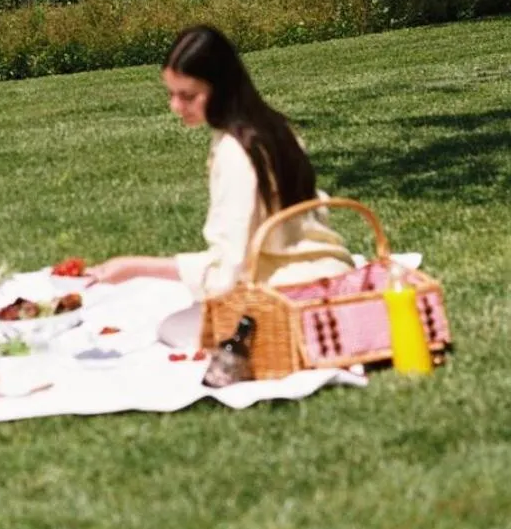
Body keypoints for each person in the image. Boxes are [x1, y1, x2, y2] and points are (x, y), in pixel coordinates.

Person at [87, 25, 354, 344]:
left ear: (222, 88)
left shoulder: (235, 152)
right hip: (330, 272)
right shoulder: (274, 125)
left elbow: (229, 269)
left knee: (171, 328)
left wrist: (136, 267)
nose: (175, 106)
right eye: (171, 94)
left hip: (287, 294)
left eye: (188, 96)